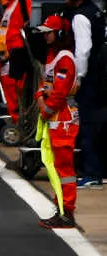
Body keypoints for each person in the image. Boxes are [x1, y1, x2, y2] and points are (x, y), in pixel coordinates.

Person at [37, 14, 81, 229]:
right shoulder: (53, 55)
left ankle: (67, 212)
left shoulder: (64, 58)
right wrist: (40, 96)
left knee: (64, 169)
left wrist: (44, 109)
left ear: (59, 33)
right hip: (56, 119)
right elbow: (46, 84)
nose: (45, 37)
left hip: (63, 120)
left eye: (49, 33)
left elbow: (59, 92)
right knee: (57, 167)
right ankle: (61, 209)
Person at [67, 0, 105, 190]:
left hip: (90, 77)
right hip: (100, 74)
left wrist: (78, 78)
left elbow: (83, 50)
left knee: (88, 124)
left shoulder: (81, 17)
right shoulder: (96, 12)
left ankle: (91, 172)